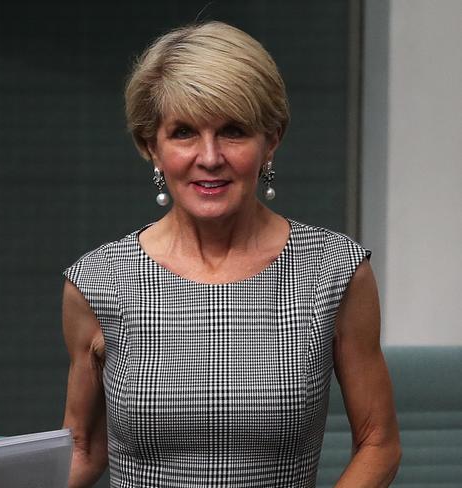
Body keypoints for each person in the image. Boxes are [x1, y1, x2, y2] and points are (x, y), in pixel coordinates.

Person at [60, 21, 401, 488]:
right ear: (150, 147)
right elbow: (82, 449)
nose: (210, 156)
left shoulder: (334, 271)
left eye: (233, 131)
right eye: (183, 133)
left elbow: (379, 442)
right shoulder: (97, 281)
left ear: (271, 140)